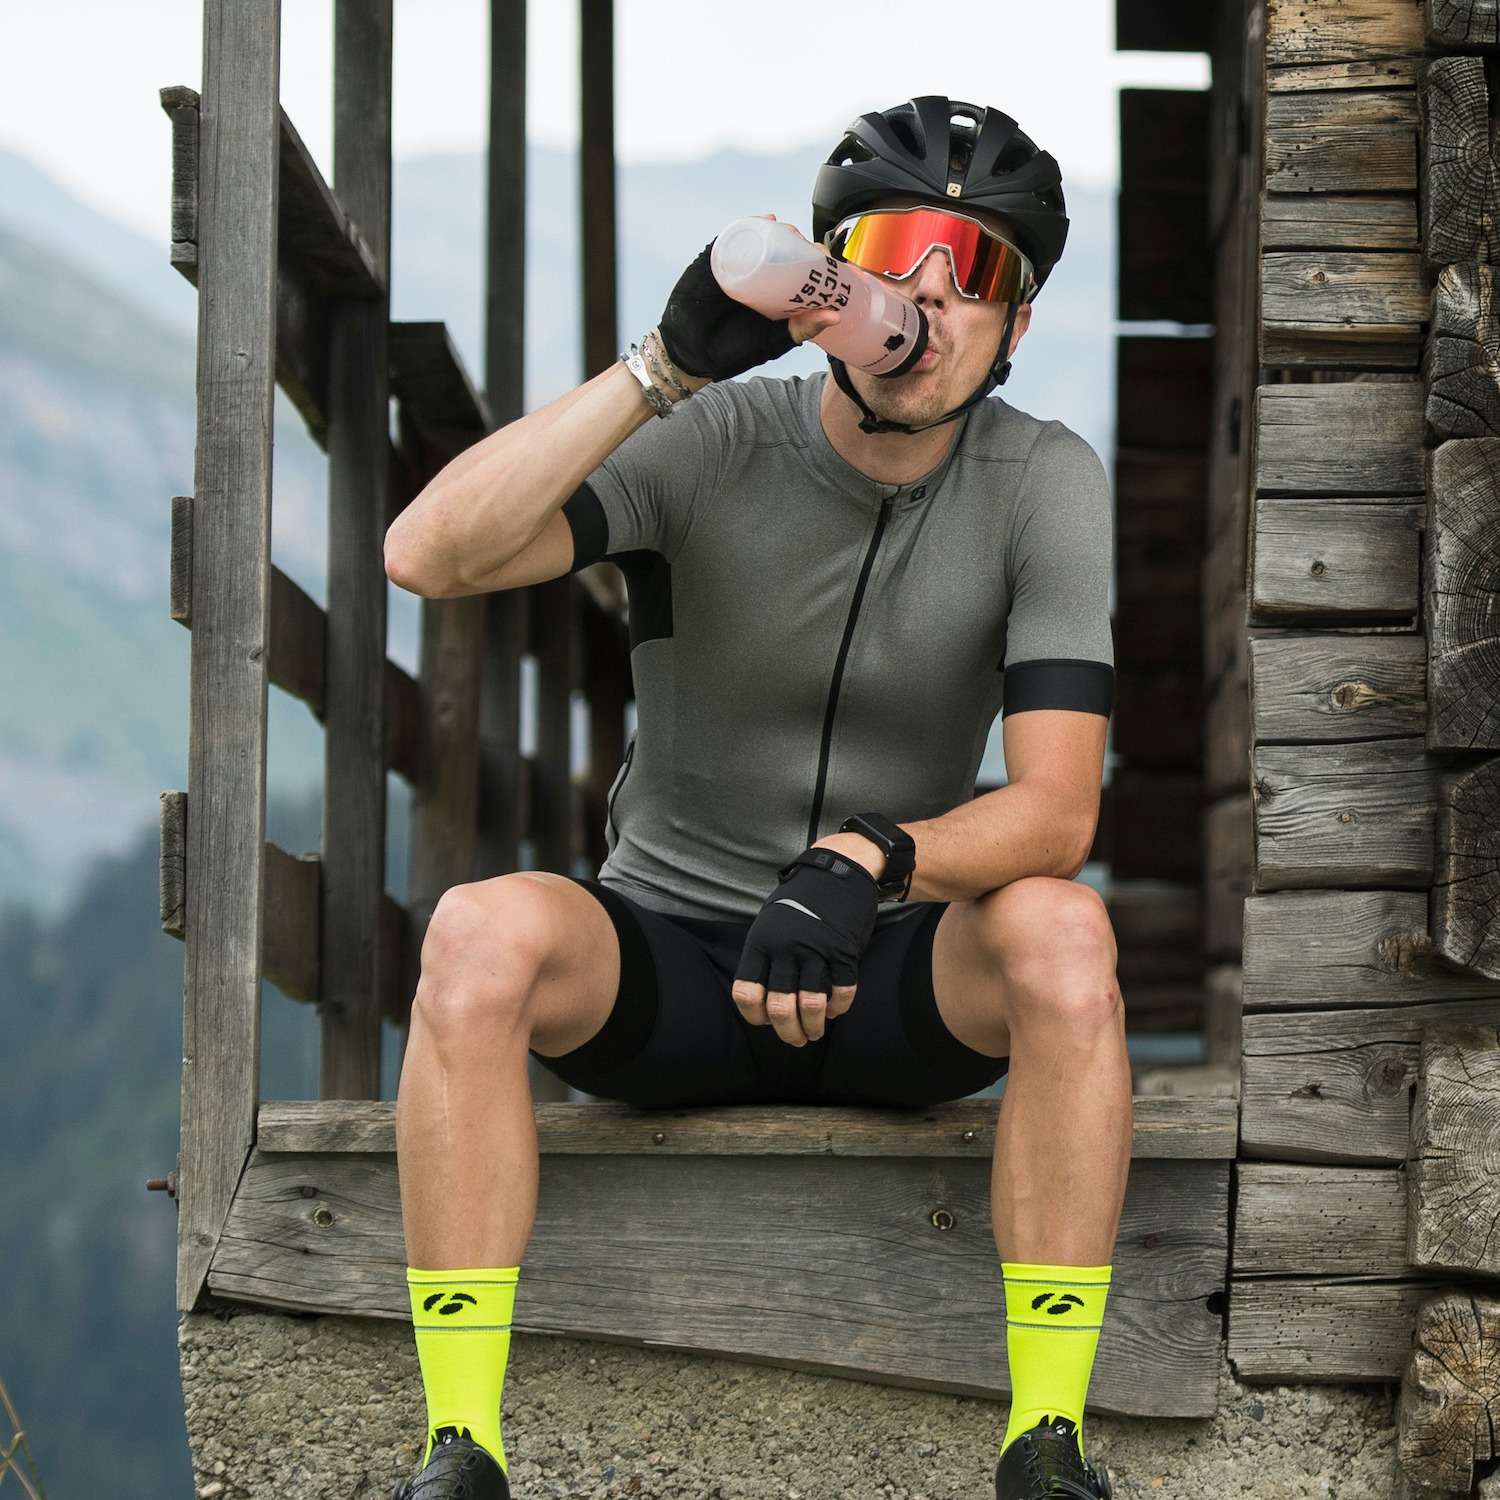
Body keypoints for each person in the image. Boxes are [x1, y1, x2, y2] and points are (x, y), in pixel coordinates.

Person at [383, 95, 1127, 1500]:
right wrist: (659, 371)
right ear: (827, 280)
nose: (926, 293)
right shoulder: (716, 439)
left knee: (1064, 932)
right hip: (666, 964)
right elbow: (430, 554)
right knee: (478, 934)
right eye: (893, 250)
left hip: (889, 967)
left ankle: (1047, 1445)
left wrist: (869, 861)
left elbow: (1057, 811)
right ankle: (459, 1449)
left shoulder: (1044, 481)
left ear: (1016, 325)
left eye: (975, 268)